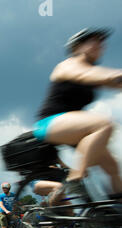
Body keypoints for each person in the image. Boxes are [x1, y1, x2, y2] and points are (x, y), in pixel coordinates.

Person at [33, 28, 122, 199]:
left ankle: (115, 212)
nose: (100, 45)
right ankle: (74, 180)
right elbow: (90, 75)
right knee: (104, 124)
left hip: (75, 130)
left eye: (102, 42)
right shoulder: (68, 65)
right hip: (49, 124)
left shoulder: (92, 69)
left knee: (112, 167)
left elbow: (114, 82)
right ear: (78, 47)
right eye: (94, 41)